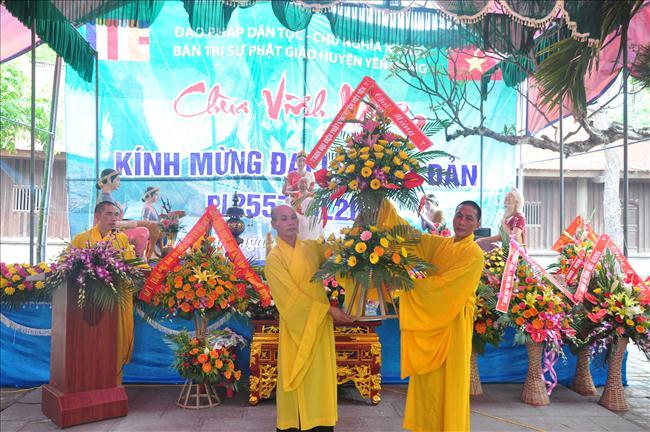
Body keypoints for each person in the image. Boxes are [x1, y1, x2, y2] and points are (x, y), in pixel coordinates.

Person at [378, 199, 484, 432]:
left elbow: (446, 287)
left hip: (453, 323)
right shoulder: (443, 244)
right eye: (459, 215)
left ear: (477, 224)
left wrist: (407, 285)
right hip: (432, 317)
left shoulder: (475, 254)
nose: (462, 222)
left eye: (469, 218)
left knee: (449, 382)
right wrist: (383, 204)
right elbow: (413, 238)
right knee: (428, 383)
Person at [265, 205, 352, 431]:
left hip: (319, 326)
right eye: (284, 219)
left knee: (319, 380)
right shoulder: (274, 259)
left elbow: (338, 256)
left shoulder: (311, 248)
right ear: (274, 224)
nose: (290, 222)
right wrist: (328, 310)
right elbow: (290, 298)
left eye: (293, 218)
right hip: (297, 329)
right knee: (298, 379)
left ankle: (320, 422)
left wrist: (359, 238)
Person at [71, 201, 136, 385]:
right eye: (109, 214)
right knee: (89, 344)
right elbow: (68, 267)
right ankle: (86, 382)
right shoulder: (81, 239)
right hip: (88, 304)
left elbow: (130, 269)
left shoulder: (121, 239)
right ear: (97, 216)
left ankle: (113, 384)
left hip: (114, 300)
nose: (114, 218)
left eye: (116, 214)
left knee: (114, 342)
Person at [96, 168, 160, 259]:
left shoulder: (108, 197)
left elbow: (113, 221)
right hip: (108, 237)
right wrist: (130, 224)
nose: (119, 183)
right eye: (117, 180)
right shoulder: (105, 199)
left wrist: (121, 212)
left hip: (111, 233)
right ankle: (138, 260)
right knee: (143, 231)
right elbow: (107, 223)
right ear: (109, 180)